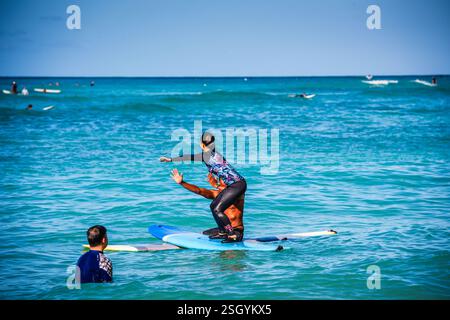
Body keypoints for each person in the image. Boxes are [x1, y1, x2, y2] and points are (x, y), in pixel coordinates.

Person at [160, 132, 246, 243]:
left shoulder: (206, 155)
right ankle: (222, 232)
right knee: (213, 206)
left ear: (202, 144)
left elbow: (190, 157)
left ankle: (231, 234)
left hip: (237, 185)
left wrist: (170, 160)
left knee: (217, 209)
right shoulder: (214, 154)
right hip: (236, 184)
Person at [170, 168, 245, 241]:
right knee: (204, 233)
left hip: (236, 231)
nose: (227, 181)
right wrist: (182, 183)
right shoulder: (216, 194)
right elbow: (199, 191)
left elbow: (234, 186)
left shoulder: (238, 194)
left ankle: (231, 237)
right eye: (224, 179)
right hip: (224, 230)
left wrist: (217, 185)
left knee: (229, 253)